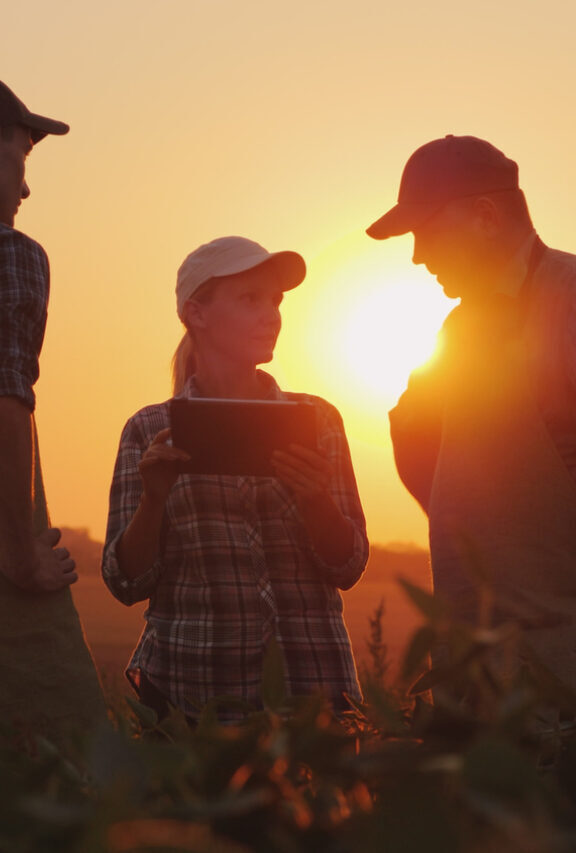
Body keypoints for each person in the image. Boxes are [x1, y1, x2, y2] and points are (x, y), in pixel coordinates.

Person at [102, 236, 368, 721]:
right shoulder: (147, 430)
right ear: (196, 314)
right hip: (191, 699)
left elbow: (348, 565)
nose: (272, 315)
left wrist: (315, 500)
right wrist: (153, 500)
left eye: (276, 300)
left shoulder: (319, 420)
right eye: (251, 299)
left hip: (313, 697)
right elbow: (125, 582)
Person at [366, 135, 576, 691]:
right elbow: (415, 441)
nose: (417, 254)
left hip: (562, 674)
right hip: (474, 672)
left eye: (426, 230)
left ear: (484, 216)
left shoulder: (571, 300)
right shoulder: (456, 332)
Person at [0, 70, 104, 736]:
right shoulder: (0, 251)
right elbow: (0, 408)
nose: (27, 185)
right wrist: (18, 550)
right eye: (24, 158)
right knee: (49, 775)